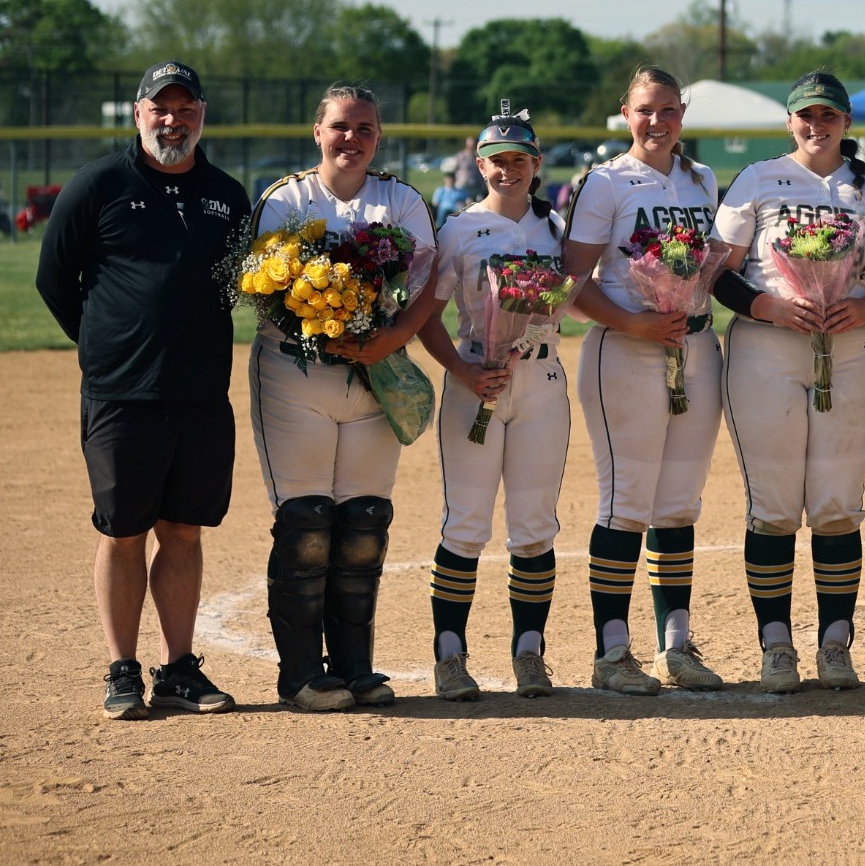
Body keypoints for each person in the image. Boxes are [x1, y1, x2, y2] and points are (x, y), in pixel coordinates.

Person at [36, 60, 249, 720]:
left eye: (185, 109)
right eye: (160, 108)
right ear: (138, 114)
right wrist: (103, 343)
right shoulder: (99, 183)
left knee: (183, 529)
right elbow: (54, 277)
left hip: (201, 391)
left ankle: (179, 670)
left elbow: (238, 282)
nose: (172, 120)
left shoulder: (227, 195)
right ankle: (122, 668)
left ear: (202, 115)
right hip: (122, 393)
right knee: (124, 530)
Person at [710, 72, 865, 693]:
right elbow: (717, 272)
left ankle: (835, 644)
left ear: (847, 123)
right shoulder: (758, 178)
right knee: (772, 508)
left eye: (828, 115)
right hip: (767, 350)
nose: (817, 125)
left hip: (848, 350)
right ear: (790, 122)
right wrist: (766, 306)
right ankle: (776, 647)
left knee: (837, 505)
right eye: (806, 115)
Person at [250, 84, 438, 711]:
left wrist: (389, 339)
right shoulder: (287, 199)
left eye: (364, 128)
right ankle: (303, 675)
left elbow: (428, 285)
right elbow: (266, 288)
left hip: (375, 375)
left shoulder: (400, 199)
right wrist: (329, 329)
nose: (351, 138)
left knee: (364, 522)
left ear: (378, 137)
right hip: (296, 374)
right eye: (339, 126)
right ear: (317, 132)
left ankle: (355, 668)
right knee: (306, 522)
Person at [562, 66, 725, 696]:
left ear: (682, 113)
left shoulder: (701, 178)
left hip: (695, 347)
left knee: (678, 504)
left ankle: (675, 647)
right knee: (625, 504)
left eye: (668, 109)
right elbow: (570, 281)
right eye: (645, 110)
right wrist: (633, 322)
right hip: (626, 351)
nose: (657, 121)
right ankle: (611, 654)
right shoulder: (605, 181)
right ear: (626, 114)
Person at [418, 105, 569, 701]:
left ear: (536, 163)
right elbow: (427, 316)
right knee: (465, 524)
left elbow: (577, 298)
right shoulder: (458, 228)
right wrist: (462, 371)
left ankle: (530, 654)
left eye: (519, 159)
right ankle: (449, 657)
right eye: (496, 160)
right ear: (479, 165)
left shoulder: (556, 228)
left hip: (541, 381)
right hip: (474, 376)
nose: (508, 170)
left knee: (534, 528)